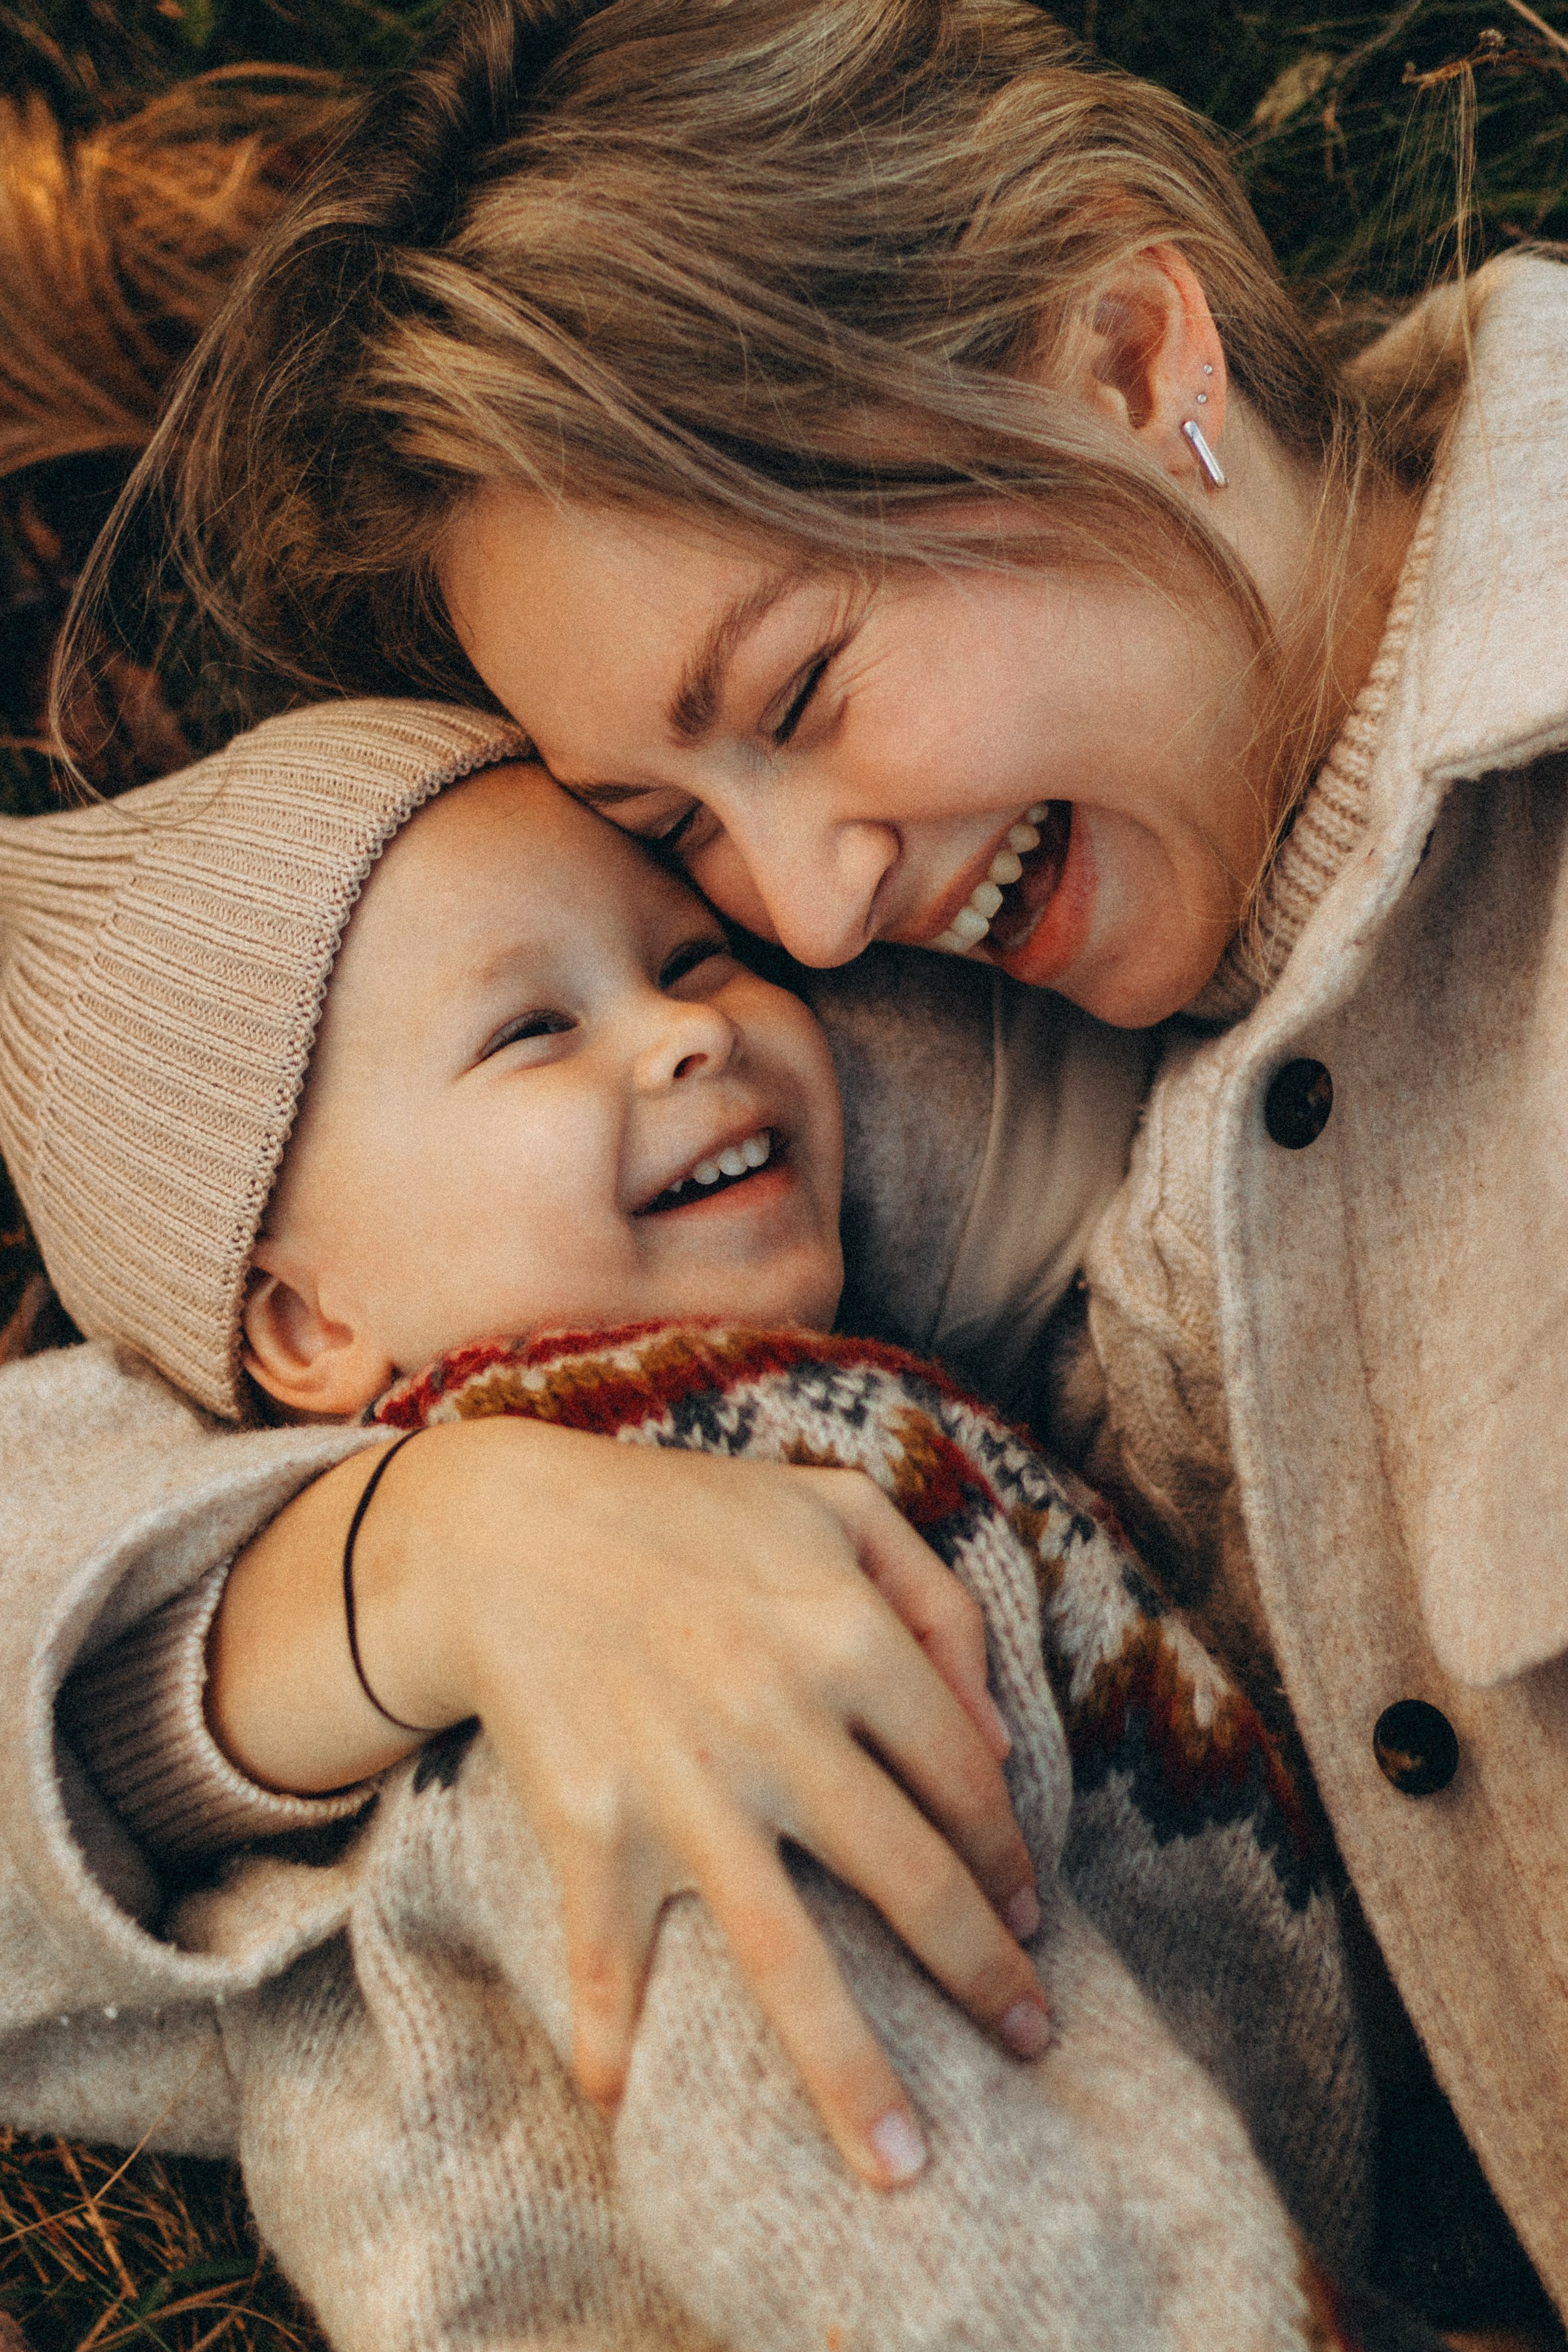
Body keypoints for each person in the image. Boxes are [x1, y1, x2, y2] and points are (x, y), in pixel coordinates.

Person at [42, 0, 1568, 2334]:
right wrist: (451, 1542)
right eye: (667, 826)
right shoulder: (877, 1026)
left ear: (1123, 348)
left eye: (798, 695)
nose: (807, 904)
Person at [0, 698, 1376, 2350]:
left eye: (694, 958)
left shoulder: (767, 1425)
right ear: (303, 1330)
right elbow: (881, 2158)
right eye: (529, 1031)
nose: (686, 1034)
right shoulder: (670, 1557)